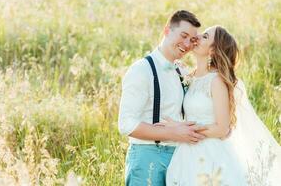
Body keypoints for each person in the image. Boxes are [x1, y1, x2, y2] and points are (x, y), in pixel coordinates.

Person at [165, 25, 281, 185]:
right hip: (185, 151)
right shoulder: (188, 77)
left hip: (210, 154)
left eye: (205, 37)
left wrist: (184, 129)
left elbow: (222, 128)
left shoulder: (216, 81)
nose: (197, 37)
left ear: (213, 50)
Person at [118, 10, 206, 186]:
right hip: (147, 156)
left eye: (192, 39)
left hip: (179, 157)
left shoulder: (182, 71)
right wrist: (172, 133)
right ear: (167, 30)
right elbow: (126, 124)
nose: (187, 44)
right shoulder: (141, 70)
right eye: (183, 35)